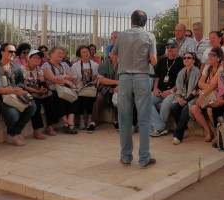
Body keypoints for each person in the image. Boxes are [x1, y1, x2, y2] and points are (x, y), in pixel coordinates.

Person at [110, 10, 157, 168]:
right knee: (143, 120)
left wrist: (120, 67)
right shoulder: (149, 36)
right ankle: (144, 158)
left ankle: (125, 157)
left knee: (124, 119)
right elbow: (154, 61)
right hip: (142, 77)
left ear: (131, 21)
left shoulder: (122, 35)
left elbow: (113, 55)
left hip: (124, 77)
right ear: (145, 22)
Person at [0, 43, 37, 146]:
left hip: (15, 96)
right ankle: (13, 134)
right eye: (10, 51)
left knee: (32, 106)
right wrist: (14, 90)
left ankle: (15, 133)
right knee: (13, 113)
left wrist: (21, 90)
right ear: (2, 52)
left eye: (14, 52)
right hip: (1, 98)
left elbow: (21, 82)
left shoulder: (15, 66)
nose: (13, 54)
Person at [149, 38, 184, 137]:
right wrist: (155, 88)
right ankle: (161, 126)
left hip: (173, 91)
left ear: (178, 48)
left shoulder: (182, 61)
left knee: (165, 104)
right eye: (168, 47)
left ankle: (158, 127)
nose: (170, 49)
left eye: (172, 47)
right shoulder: (162, 60)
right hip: (159, 90)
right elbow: (157, 76)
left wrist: (171, 90)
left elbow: (182, 81)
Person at [22, 50, 59, 139]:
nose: (37, 59)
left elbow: (42, 82)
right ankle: (36, 130)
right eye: (35, 57)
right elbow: (24, 85)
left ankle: (50, 125)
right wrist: (36, 91)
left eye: (39, 58)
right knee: (35, 105)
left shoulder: (39, 70)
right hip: (28, 92)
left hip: (38, 92)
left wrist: (43, 89)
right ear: (29, 58)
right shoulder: (22, 69)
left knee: (51, 100)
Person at [42, 46, 79, 134]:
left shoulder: (64, 64)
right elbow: (52, 79)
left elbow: (71, 76)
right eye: (59, 53)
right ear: (51, 54)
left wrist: (63, 78)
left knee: (74, 98)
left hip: (65, 88)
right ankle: (66, 122)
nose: (61, 55)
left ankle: (70, 121)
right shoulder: (46, 65)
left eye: (62, 53)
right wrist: (65, 78)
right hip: (54, 89)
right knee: (59, 98)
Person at [191, 47, 223, 142]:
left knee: (210, 110)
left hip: (218, 96)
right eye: (209, 54)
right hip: (209, 93)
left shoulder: (221, 68)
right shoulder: (207, 68)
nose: (210, 57)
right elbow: (200, 83)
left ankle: (219, 132)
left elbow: (214, 83)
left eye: (213, 55)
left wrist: (203, 93)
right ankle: (208, 132)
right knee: (194, 108)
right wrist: (211, 87)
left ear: (219, 58)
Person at [170, 52, 201, 145]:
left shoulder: (197, 72)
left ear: (193, 61)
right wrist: (178, 98)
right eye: (184, 58)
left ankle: (178, 135)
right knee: (173, 107)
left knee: (185, 109)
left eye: (189, 58)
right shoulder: (181, 72)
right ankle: (184, 128)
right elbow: (178, 90)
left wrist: (186, 100)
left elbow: (196, 90)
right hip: (183, 98)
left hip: (193, 99)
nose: (186, 59)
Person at [71, 45, 99, 132]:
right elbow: (74, 79)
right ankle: (81, 120)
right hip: (80, 87)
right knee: (81, 98)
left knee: (91, 98)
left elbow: (96, 77)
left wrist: (93, 83)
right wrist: (79, 85)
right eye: (83, 52)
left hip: (90, 86)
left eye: (87, 51)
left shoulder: (95, 65)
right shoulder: (75, 66)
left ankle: (90, 119)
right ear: (80, 55)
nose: (86, 53)